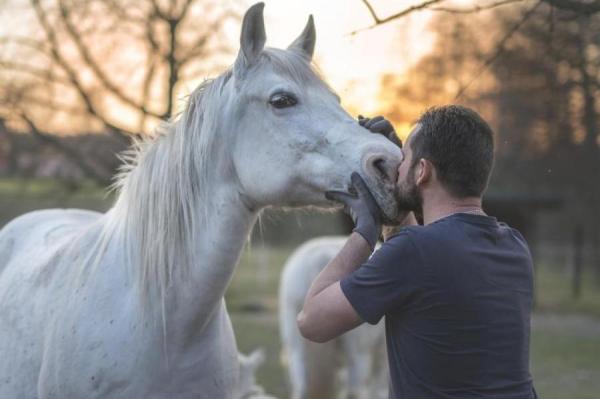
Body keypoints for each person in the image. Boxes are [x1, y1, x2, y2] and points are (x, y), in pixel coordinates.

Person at [297, 105, 537, 398]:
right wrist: (400, 183)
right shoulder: (515, 246)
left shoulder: (414, 252)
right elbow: (424, 252)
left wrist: (364, 231)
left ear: (422, 171)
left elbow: (312, 322)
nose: (399, 167)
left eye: (405, 160)